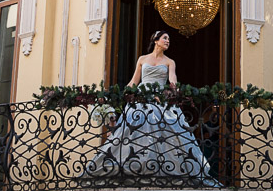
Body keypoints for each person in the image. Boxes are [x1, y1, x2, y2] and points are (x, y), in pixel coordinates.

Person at [83, 30, 219, 186]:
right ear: (156, 40)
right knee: (135, 129)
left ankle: (163, 169)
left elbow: (172, 81)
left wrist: (176, 91)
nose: (168, 41)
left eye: (169, 39)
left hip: (160, 98)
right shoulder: (142, 59)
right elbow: (134, 81)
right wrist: (117, 95)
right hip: (141, 97)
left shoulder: (170, 62)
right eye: (165, 38)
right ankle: (136, 166)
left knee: (166, 130)